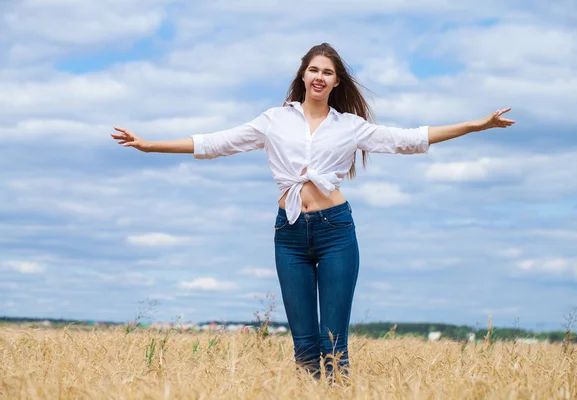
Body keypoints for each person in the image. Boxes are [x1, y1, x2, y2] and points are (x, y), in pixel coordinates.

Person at [111, 43, 515, 380]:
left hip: (335, 231)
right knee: (304, 344)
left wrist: (476, 126)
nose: (319, 77)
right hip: (288, 234)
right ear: (303, 75)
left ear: (336, 82)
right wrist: (149, 145)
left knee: (333, 342)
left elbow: (411, 139)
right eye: (313, 70)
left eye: (328, 72)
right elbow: (215, 143)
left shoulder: (351, 126)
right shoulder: (273, 120)